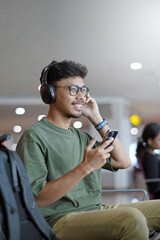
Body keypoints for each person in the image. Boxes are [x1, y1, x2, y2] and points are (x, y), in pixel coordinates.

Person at [16, 60, 160, 240]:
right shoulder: (35, 136)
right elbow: (36, 200)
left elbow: (124, 161)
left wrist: (97, 118)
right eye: (73, 89)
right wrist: (85, 167)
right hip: (59, 220)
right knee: (132, 219)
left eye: (83, 90)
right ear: (50, 93)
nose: (81, 96)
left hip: (95, 210)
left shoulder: (82, 137)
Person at [136, 122, 160, 199]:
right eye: (159, 139)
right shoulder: (150, 158)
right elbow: (153, 186)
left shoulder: (151, 156)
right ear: (150, 141)